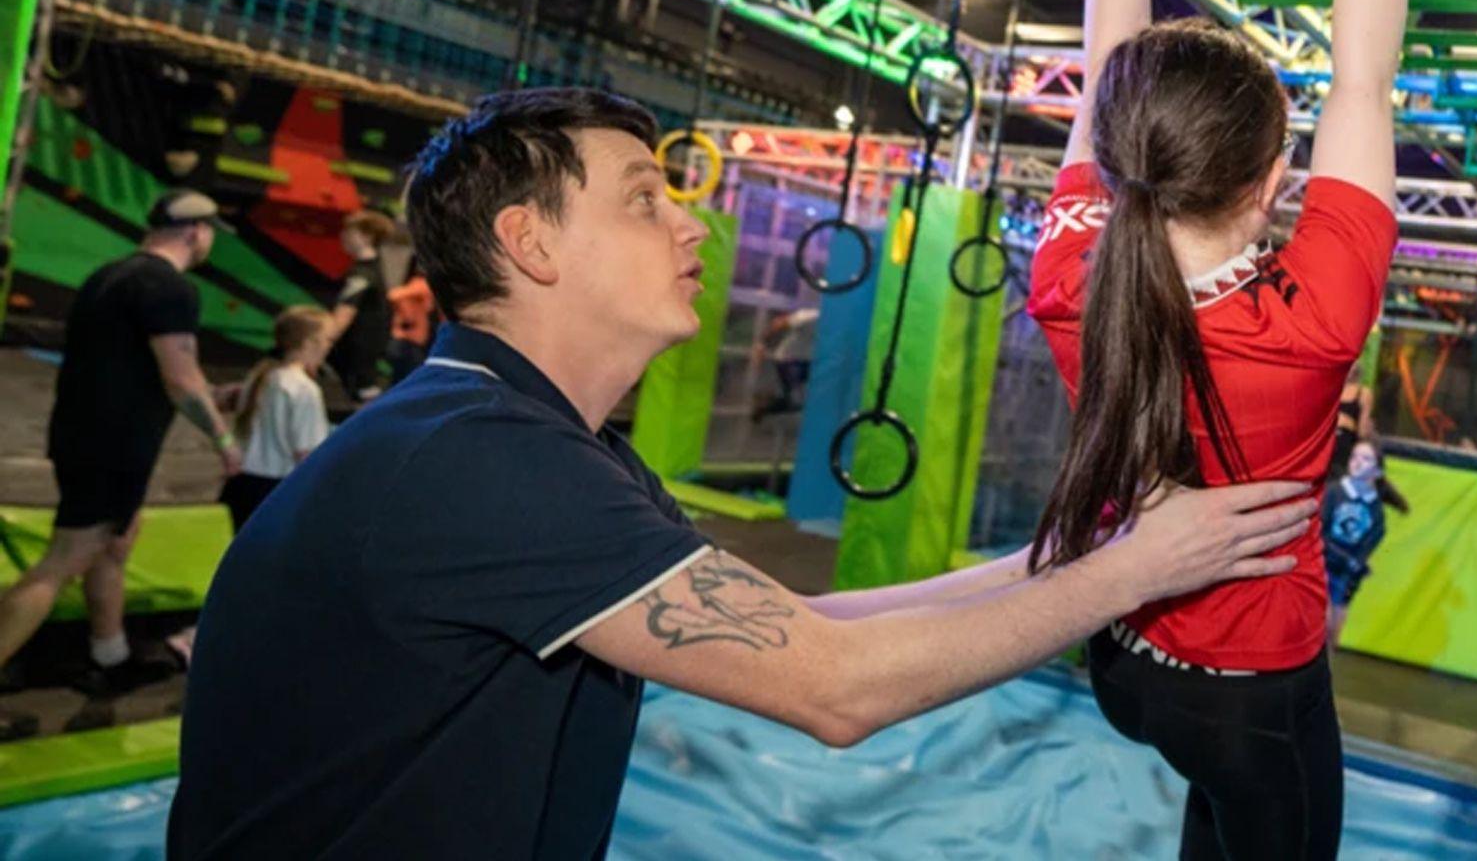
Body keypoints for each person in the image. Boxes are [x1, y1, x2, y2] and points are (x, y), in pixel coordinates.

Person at [168, 87, 1321, 858]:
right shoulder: (474, 460)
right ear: (529, 243)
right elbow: (834, 685)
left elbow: (790, 621)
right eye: (645, 201)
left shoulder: (527, 440)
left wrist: (1068, 558)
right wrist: (1132, 575)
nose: (692, 229)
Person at [1025, 0, 1422, 859]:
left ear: (1115, 161)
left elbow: (1356, 90)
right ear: (1273, 183)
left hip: (1117, 654)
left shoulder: (1066, 271)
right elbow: (1366, 83)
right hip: (1252, 698)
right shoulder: (1317, 321)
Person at [0, 190, 241, 711]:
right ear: (195, 232)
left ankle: (109, 657)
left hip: (81, 434)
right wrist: (223, 439)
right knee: (65, 559)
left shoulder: (108, 277)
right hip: (114, 446)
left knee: (114, 544)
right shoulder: (169, 288)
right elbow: (181, 379)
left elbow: (136, 368)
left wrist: (210, 395)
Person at [219, 305, 332, 533]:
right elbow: (306, 454)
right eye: (327, 340)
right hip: (277, 489)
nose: (329, 347)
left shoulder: (259, 377)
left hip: (243, 485)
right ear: (310, 343)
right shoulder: (303, 388)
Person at [1321, 441, 1409, 644]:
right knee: (1320, 623)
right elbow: (1319, 533)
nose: (1357, 462)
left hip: (1345, 576)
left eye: (1365, 458)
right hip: (1322, 566)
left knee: (1333, 633)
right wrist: (1344, 559)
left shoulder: (1376, 510)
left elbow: (1368, 546)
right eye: (1354, 456)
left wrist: (1357, 564)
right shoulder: (1333, 492)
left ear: (1377, 472)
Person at [326, 209, 396, 403]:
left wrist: (319, 341)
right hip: (363, 363)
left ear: (367, 237)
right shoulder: (373, 269)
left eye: (350, 232)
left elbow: (344, 315)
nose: (343, 236)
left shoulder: (363, 274)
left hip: (359, 365)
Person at [751, 306, 818, 422]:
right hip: (789, 360)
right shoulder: (811, 316)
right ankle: (763, 407)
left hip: (808, 362)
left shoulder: (838, 327)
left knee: (802, 400)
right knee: (796, 401)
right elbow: (779, 323)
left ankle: (771, 399)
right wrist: (761, 344)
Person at [1328, 358, 1376, 491]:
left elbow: (1362, 431)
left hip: (1345, 444)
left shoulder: (1364, 393)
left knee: (1339, 482)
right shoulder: (1333, 387)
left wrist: (1348, 424)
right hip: (1328, 442)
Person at [385, 260, 436, 385]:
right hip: (408, 343)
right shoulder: (421, 285)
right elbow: (393, 295)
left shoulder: (415, 290)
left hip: (409, 342)